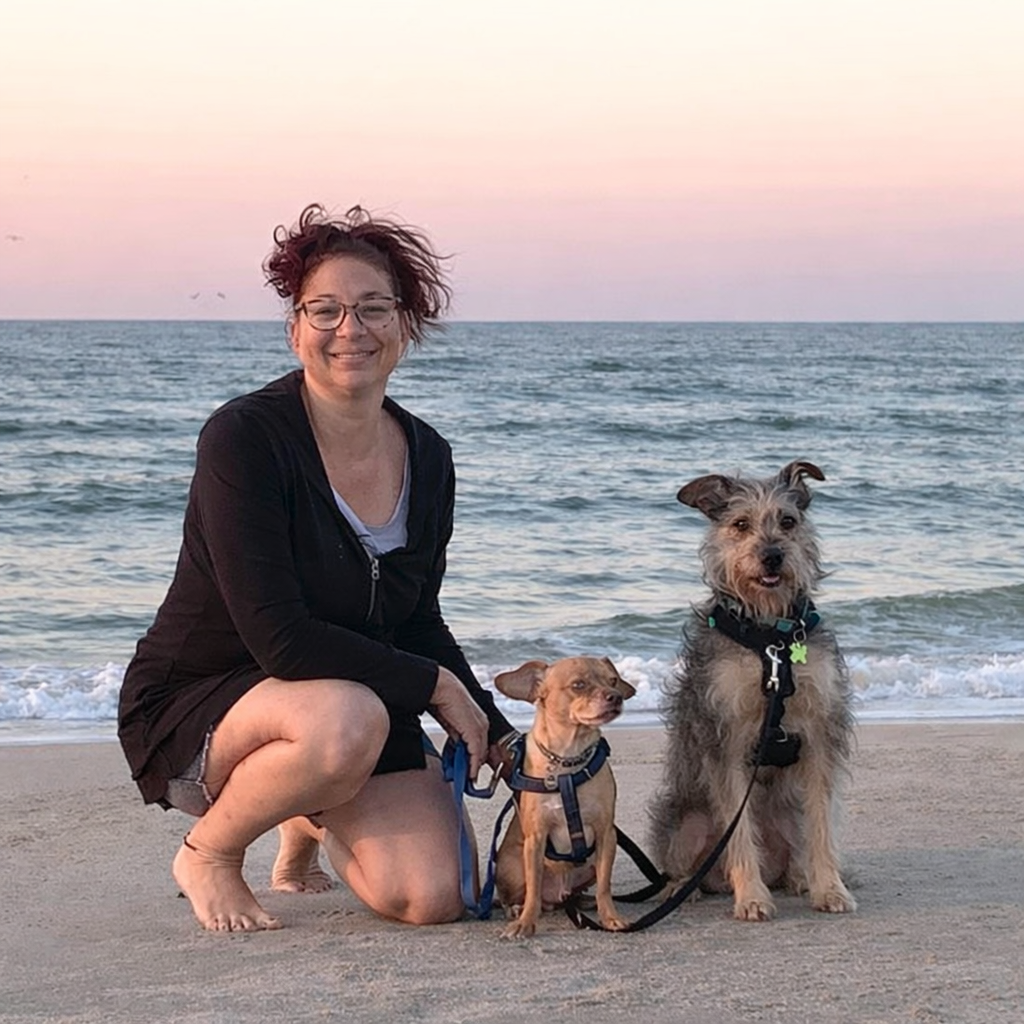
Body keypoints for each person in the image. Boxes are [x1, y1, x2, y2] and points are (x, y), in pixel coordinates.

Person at [118, 203, 515, 933]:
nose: (349, 330)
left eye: (373, 309)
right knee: (346, 720)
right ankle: (211, 851)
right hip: (210, 699)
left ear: (404, 325)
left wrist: (495, 730)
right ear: (295, 328)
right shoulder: (244, 438)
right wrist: (434, 687)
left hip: (351, 706)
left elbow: (417, 619)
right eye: (325, 310)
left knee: (433, 897)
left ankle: (301, 809)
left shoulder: (429, 455)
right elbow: (281, 640)